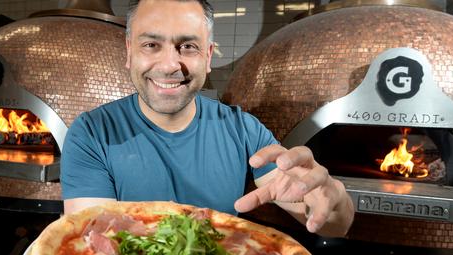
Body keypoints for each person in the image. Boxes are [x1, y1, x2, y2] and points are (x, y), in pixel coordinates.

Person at [60, 0, 354, 237]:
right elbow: (96, 242)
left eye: (187, 46)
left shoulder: (243, 130)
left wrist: (334, 201)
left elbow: (335, 225)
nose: (169, 65)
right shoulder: (92, 134)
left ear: (209, 56)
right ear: (129, 53)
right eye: (151, 45)